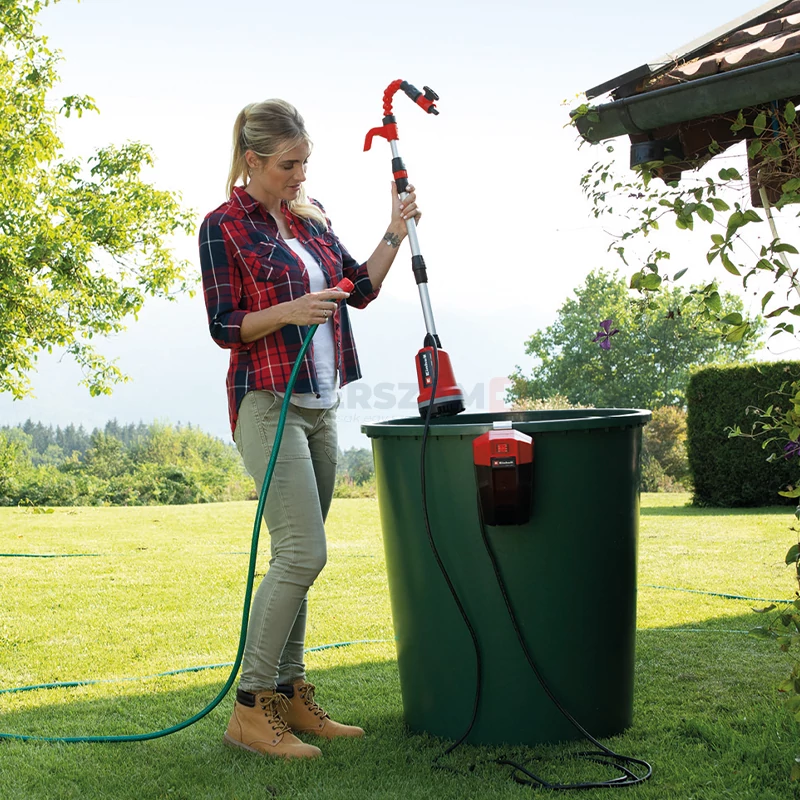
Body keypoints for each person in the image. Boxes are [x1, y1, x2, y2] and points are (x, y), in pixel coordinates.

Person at [199, 99, 420, 759]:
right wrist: (289, 310)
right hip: (267, 403)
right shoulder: (223, 226)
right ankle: (249, 708)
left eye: (304, 163)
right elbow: (224, 325)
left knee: (298, 558)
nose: (299, 175)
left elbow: (359, 288)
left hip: (322, 404)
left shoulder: (309, 216)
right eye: (287, 165)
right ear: (252, 160)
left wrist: (395, 230)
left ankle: (290, 693)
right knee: (303, 553)